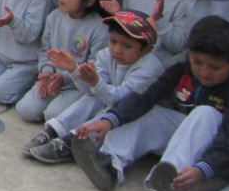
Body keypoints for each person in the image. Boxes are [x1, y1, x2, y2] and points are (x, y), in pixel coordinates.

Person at [73, 16, 229, 191]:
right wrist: (109, 120)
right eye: (197, 62)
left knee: (206, 113)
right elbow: (146, 94)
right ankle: (110, 165)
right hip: (179, 131)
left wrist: (204, 169)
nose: (204, 72)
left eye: (214, 67)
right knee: (147, 111)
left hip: (214, 151)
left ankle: (167, 184)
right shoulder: (181, 62)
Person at [25, 10, 160, 165]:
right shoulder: (105, 55)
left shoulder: (149, 67)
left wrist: (95, 82)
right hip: (113, 104)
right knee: (93, 97)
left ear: (147, 50)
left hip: (140, 116)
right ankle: (54, 131)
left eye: (127, 46)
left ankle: (72, 143)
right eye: (113, 41)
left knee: (107, 104)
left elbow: (123, 101)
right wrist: (74, 70)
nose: (117, 49)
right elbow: (90, 91)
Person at [14, 0, 109, 124]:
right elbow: (45, 49)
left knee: (53, 115)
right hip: (52, 78)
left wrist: (64, 78)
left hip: (78, 86)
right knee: (26, 111)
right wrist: (46, 71)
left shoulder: (99, 28)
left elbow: (95, 67)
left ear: (89, 1)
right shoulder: (54, 17)